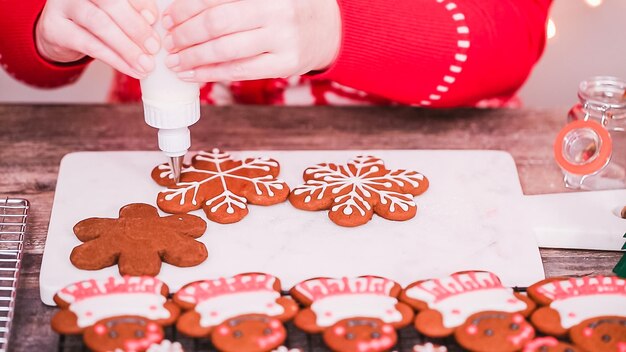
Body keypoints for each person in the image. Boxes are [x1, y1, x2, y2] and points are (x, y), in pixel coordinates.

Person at [0, 0, 552, 107]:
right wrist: (48, 28)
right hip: (142, 145)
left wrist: (330, 30)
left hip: (432, 144)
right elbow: (19, 47)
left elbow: (508, 37)